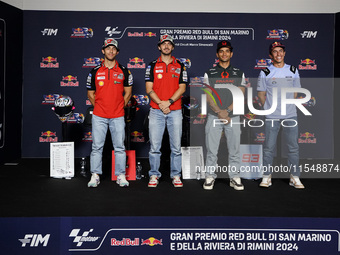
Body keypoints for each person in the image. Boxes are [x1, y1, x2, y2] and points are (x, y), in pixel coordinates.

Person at [257, 41, 304, 189]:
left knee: (293, 148)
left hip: (290, 115)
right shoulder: (265, 72)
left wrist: (288, 105)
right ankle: (266, 176)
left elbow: (296, 91)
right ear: (271, 55)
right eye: (275, 51)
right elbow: (261, 94)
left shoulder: (292, 69)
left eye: (281, 51)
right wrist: (268, 109)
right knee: (269, 148)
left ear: (284, 53)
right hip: (272, 116)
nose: (278, 54)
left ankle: (294, 177)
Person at [86, 38, 133, 188]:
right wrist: (100, 106)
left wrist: (119, 106)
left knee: (119, 146)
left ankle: (120, 175)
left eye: (113, 49)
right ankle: (95, 175)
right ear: (103, 51)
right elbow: (90, 93)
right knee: (97, 147)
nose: (111, 51)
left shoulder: (124, 71)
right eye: (108, 48)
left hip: (118, 115)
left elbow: (128, 93)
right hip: (99, 115)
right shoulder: (94, 71)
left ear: (117, 52)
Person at [145, 34, 187, 188]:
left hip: (175, 110)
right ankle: (154, 175)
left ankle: (176, 175)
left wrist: (168, 102)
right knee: (155, 147)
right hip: (156, 110)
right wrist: (161, 104)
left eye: (169, 44)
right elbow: (149, 88)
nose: (166, 46)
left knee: (176, 147)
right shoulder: (151, 65)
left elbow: (182, 87)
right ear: (159, 47)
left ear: (173, 47)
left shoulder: (180, 65)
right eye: (164, 44)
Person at [203, 41, 246, 191]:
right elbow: (208, 96)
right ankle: (209, 176)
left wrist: (227, 111)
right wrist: (219, 111)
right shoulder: (210, 72)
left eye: (227, 51)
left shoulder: (239, 73)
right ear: (217, 54)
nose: (224, 54)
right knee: (211, 149)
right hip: (214, 116)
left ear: (231, 54)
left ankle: (234, 177)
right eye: (221, 51)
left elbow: (240, 93)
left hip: (232, 116)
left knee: (234, 150)